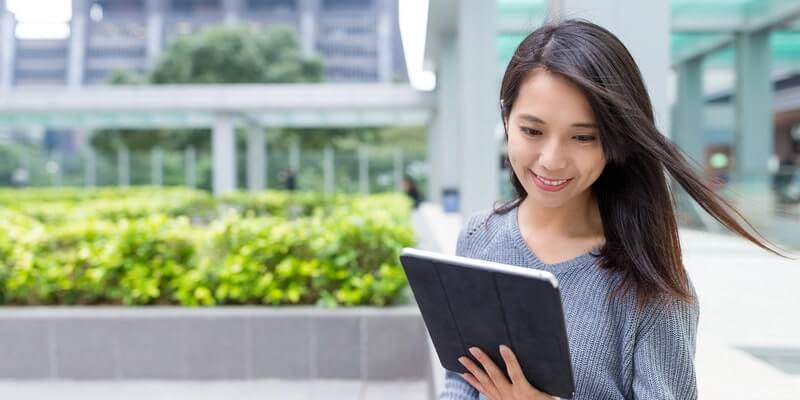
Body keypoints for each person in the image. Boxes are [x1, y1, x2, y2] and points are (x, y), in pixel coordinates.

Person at [440, 19, 785, 400]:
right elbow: (462, 379)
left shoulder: (651, 279)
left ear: (615, 142)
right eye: (532, 131)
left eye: (583, 137)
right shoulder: (479, 237)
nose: (552, 160)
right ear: (507, 121)